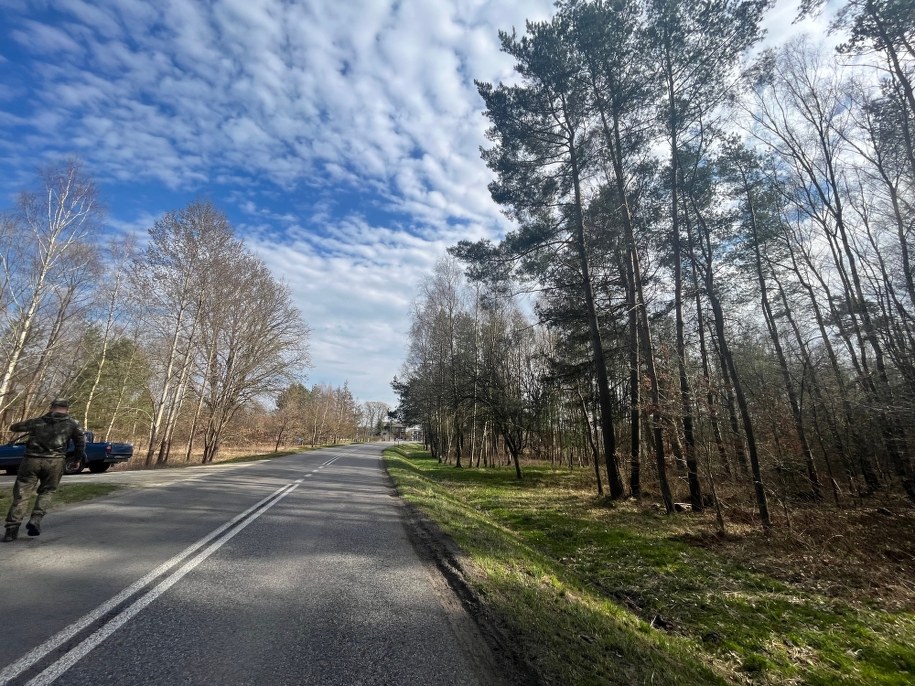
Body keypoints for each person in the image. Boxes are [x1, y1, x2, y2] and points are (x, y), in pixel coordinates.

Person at [3, 398, 85, 542]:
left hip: (31, 460)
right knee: (47, 491)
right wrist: (77, 460)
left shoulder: (37, 422)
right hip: (55, 461)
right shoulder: (72, 424)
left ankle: (11, 530)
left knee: (22, 495)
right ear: (67, 409)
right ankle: (36, 519)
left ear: (51, 407)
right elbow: (80, 443)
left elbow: (14, 427)